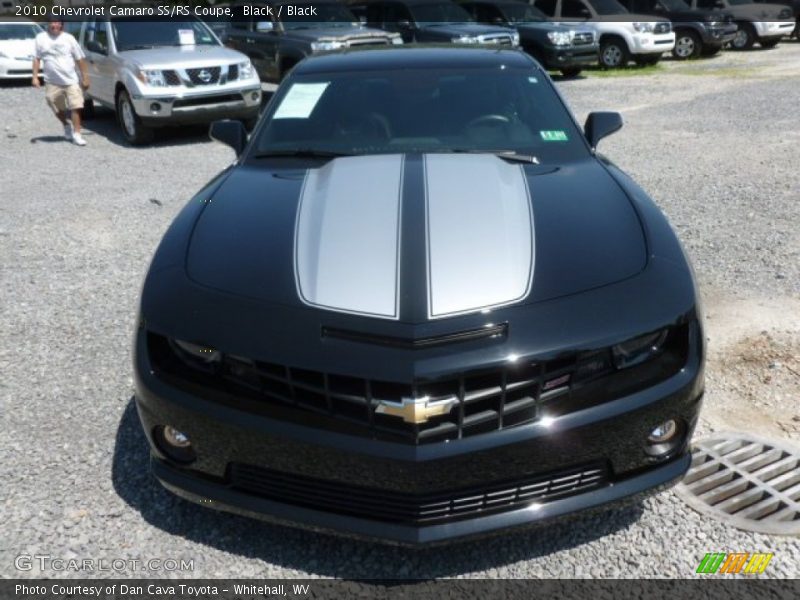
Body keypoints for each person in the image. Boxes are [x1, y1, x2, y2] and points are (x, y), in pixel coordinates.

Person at [32, 17, 90, 146]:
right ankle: (66, 124)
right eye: (52, 22)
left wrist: (85, 77)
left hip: (71, 80)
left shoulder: (69, 38)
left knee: (76, 106)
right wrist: (35, 77)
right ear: (48, 24)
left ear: (62, 25)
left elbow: (80, 59)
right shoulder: (40, 38)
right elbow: (36, 58)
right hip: (52, 81)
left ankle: (77, 134)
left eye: (57, 23)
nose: (55, 25)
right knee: (54, 105)